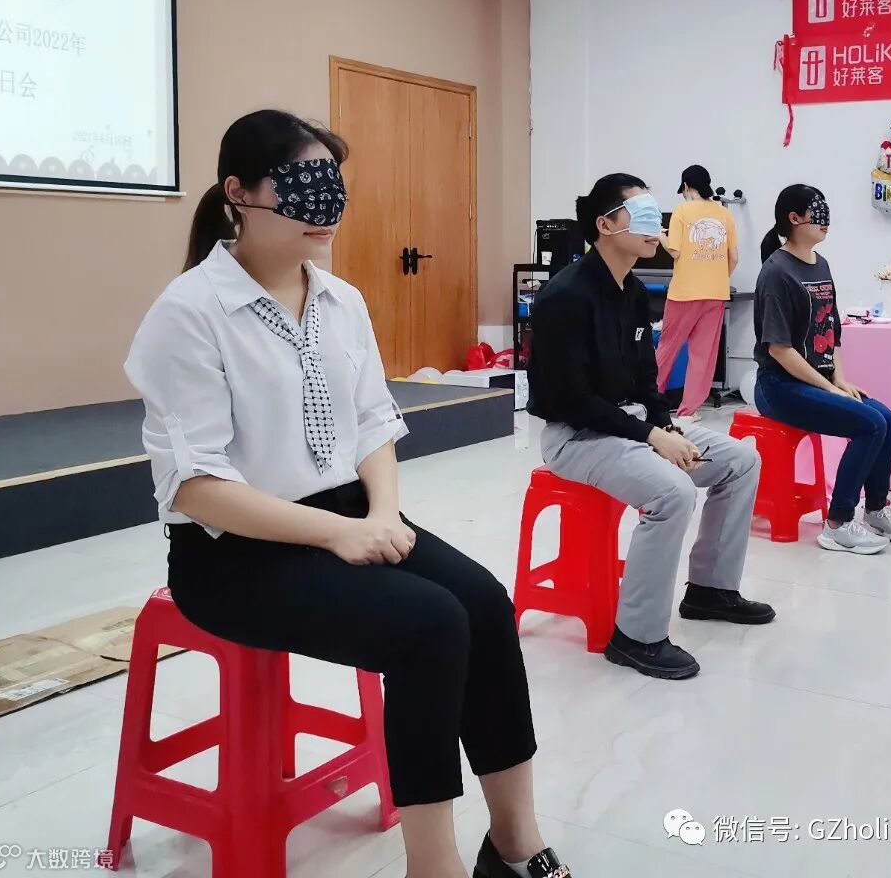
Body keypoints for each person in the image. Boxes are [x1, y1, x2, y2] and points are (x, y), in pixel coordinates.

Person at [125, 110, 571, 878]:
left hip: (349, 515)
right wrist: (337, 535)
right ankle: (432, 867)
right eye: (303, 186)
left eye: (333, 187)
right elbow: (197, 488)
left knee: (484, 606)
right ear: (238, 192)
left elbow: (373, 425)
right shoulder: (189, 313)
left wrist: (382, 514)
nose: (324, 207)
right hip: (232, 556)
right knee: (430, 626)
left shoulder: (341, 301)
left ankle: (514, 842)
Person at [527, 173, 774, 682]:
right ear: (605, 225)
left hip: (632, 426)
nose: (654, 227)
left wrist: (665, 426)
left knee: (740, 460)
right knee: (672, 492)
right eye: (640, 214)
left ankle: (709, 590)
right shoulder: (564, 297)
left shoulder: (635, 292)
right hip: (577, 436)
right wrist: (650, 438)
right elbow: (572, 400)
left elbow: (646, 378)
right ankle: (635, 637)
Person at [753, 184, 891, 556]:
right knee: (869, 424)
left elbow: (830, 330)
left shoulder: (820, 264)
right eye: (817, 213)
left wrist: (838, 379)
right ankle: (837, 525)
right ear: (794, 218)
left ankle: (875, 510)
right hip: (780, 386)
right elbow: (779, 349)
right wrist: (828, 389)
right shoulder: (776, 272)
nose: (826, 222)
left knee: (886, 418)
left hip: (819, 380)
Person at [656, 165, 738, 420]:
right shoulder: (724, 214)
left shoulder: (682, 211)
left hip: (684, 293)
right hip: (715, 294)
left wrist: (660, 235)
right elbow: (734, 257)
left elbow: (675, 250)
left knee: (667, 347)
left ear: (686, 186)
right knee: (703, 354)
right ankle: (688, 412)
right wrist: (716, 277)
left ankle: (649, 399)